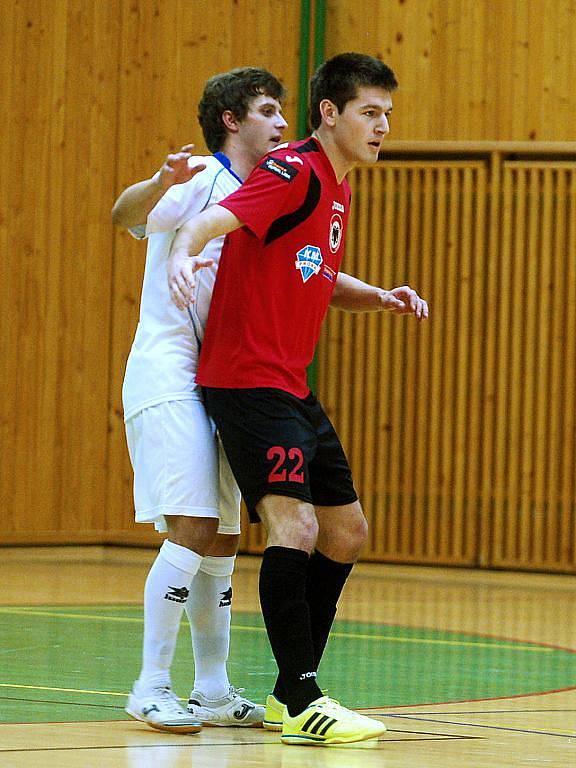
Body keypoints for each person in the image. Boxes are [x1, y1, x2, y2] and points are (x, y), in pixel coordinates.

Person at [166, 52, 429, 747]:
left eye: (388, 115)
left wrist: (375, 295)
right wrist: (181, 251)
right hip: (246, 379)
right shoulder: (294, 170)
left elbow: (312, 270)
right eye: (371, 113)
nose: (383, 127)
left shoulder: (338, 188)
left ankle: (291, 689)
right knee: (297, 528)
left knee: (347, 532)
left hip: (290, 380)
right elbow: (215, 222)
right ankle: (304, 696)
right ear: (330, 114)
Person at [111, 67, 289, 732]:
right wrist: (159, 184)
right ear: (232, 121)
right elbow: (122, 214)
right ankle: (150, 685)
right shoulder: (195, 183)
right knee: (190, 525)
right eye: (269, 110)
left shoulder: (261, 196)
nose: (281, 123)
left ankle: (212, 689)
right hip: (168, 374)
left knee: (223, 539)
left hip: (224, 383)